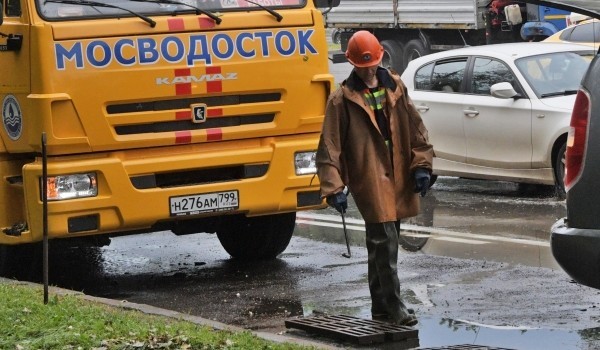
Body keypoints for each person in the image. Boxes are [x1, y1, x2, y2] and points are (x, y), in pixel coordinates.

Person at [316, 30, 434, 327]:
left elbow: (416, 129)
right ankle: (394, 306)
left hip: (397, 175)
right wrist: (333, 187)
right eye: (362, 65)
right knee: (385, 242)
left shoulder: (395, 87)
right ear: (353, 64)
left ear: (379, 58)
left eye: (371, 63)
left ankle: (380, 307)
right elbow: (329, 148)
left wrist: (422, 165)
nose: (368, 70)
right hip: (368, 178)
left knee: (379, 244)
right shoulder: (341, 100)